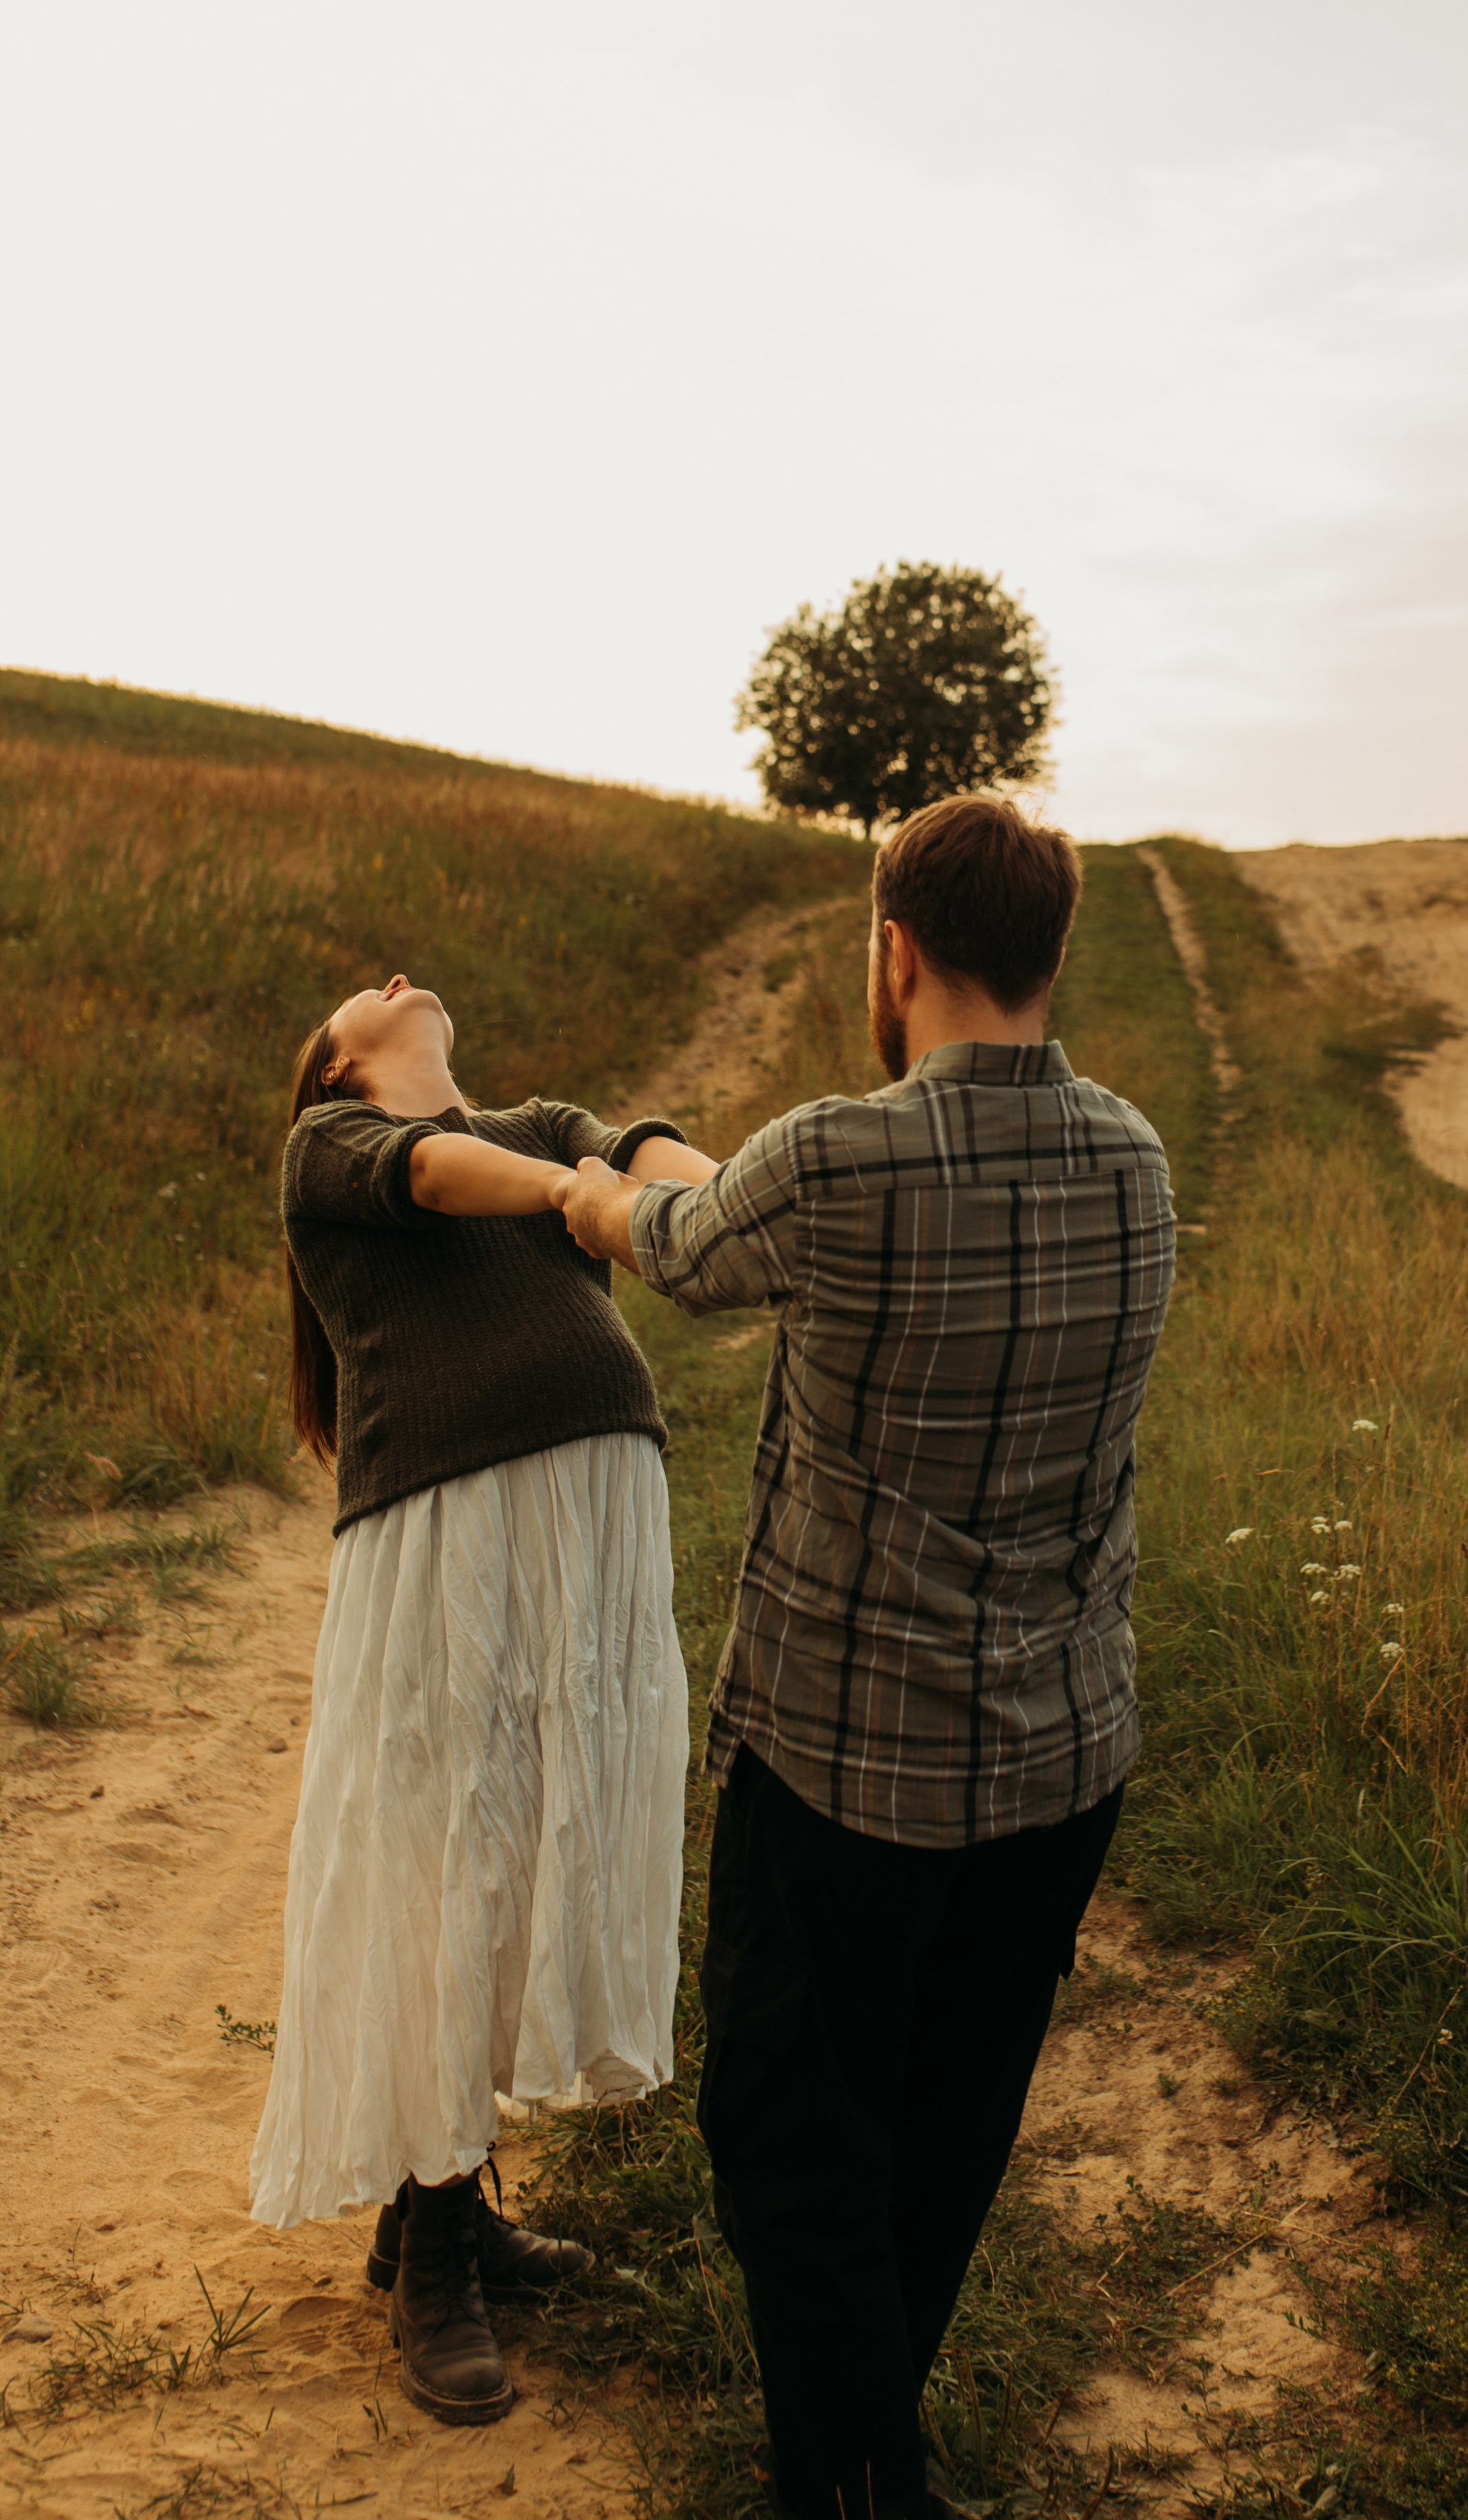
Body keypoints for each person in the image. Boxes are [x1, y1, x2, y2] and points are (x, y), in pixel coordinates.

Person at [562, 797, 1177, 2520]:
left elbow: (675, 1248)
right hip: (1060, 1761)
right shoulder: (1132, 1155)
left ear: (891, 950)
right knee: (944, 2128)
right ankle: (864, 2447)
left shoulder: (838, 1157)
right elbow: (780, 1214)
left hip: (848, 1769)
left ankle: (853, 2485)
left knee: (784, 2137)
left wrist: (599, 1181)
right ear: (1051, 955)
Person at [250, 973, 714, 2429]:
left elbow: (656, 1159)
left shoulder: (540, 1125)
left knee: (526, 1860)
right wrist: (588, 1195)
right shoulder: (329, 1148)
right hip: (449, 1539)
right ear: (336, 1063)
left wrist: (726, 1190)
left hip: (590, 1533)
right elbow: (440, 1173)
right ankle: (433, 2264)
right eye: (361, 995)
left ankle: (435, 2210)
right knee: (450, 1861)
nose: (396, 975)